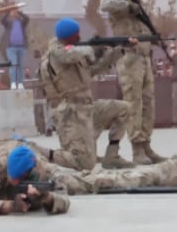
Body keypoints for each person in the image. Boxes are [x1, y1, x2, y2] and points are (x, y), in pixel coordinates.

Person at [38, 18, 134, 171]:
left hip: (87, 108)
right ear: (68, 36)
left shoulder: (75, 53)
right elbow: (74, 54)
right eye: (76, 35)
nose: (79, 37)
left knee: (124, 109)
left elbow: (94, 70)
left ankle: (112, 156)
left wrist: (119, 50)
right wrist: (94, 48)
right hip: (70, 115)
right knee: (84, 164)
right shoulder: (57, 52)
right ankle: (39, 153)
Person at [100, 0, 165, 165]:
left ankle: (146, 144)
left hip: (144, 56)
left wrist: (152, 38)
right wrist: (129, 7)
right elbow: (105, 5)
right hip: (129, 57)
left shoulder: (137, 1)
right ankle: (137, 147)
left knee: (148, 103)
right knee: (133, 102)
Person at [0, 6, 30, 89]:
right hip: (11, 47)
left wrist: (19, 12)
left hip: (22, 47)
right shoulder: (8, 22)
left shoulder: (22, 22)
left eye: (15, 11)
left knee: (21, 66)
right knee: (13, 65)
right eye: (13, 12)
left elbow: (27, 18)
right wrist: (8, 12)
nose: (14, 13)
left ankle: (20, 83)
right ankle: (13, 82)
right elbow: (2, 20)